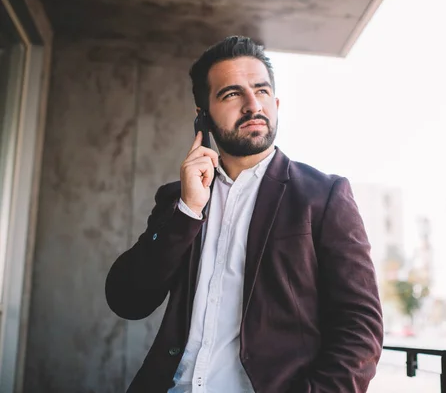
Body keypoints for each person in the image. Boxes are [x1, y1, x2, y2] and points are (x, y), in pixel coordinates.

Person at [105, 36, 384, 393]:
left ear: (277, 102)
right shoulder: (178, 199)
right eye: (232, 94)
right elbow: (127, 300)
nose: (253, 105)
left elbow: (360, 327)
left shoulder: (323, 195)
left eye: (262, 91)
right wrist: (188, 211)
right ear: (201, 116)